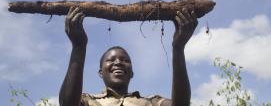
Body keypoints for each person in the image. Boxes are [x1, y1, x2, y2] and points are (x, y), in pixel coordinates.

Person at [59, 6, 198, 106]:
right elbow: (67, 103)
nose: (118, 62)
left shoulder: (151, 102)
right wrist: (78, 47)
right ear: (100, 72)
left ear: (132, 73)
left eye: (125, 60)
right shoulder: (87, 101)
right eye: (110, 60)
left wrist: (178, 48)